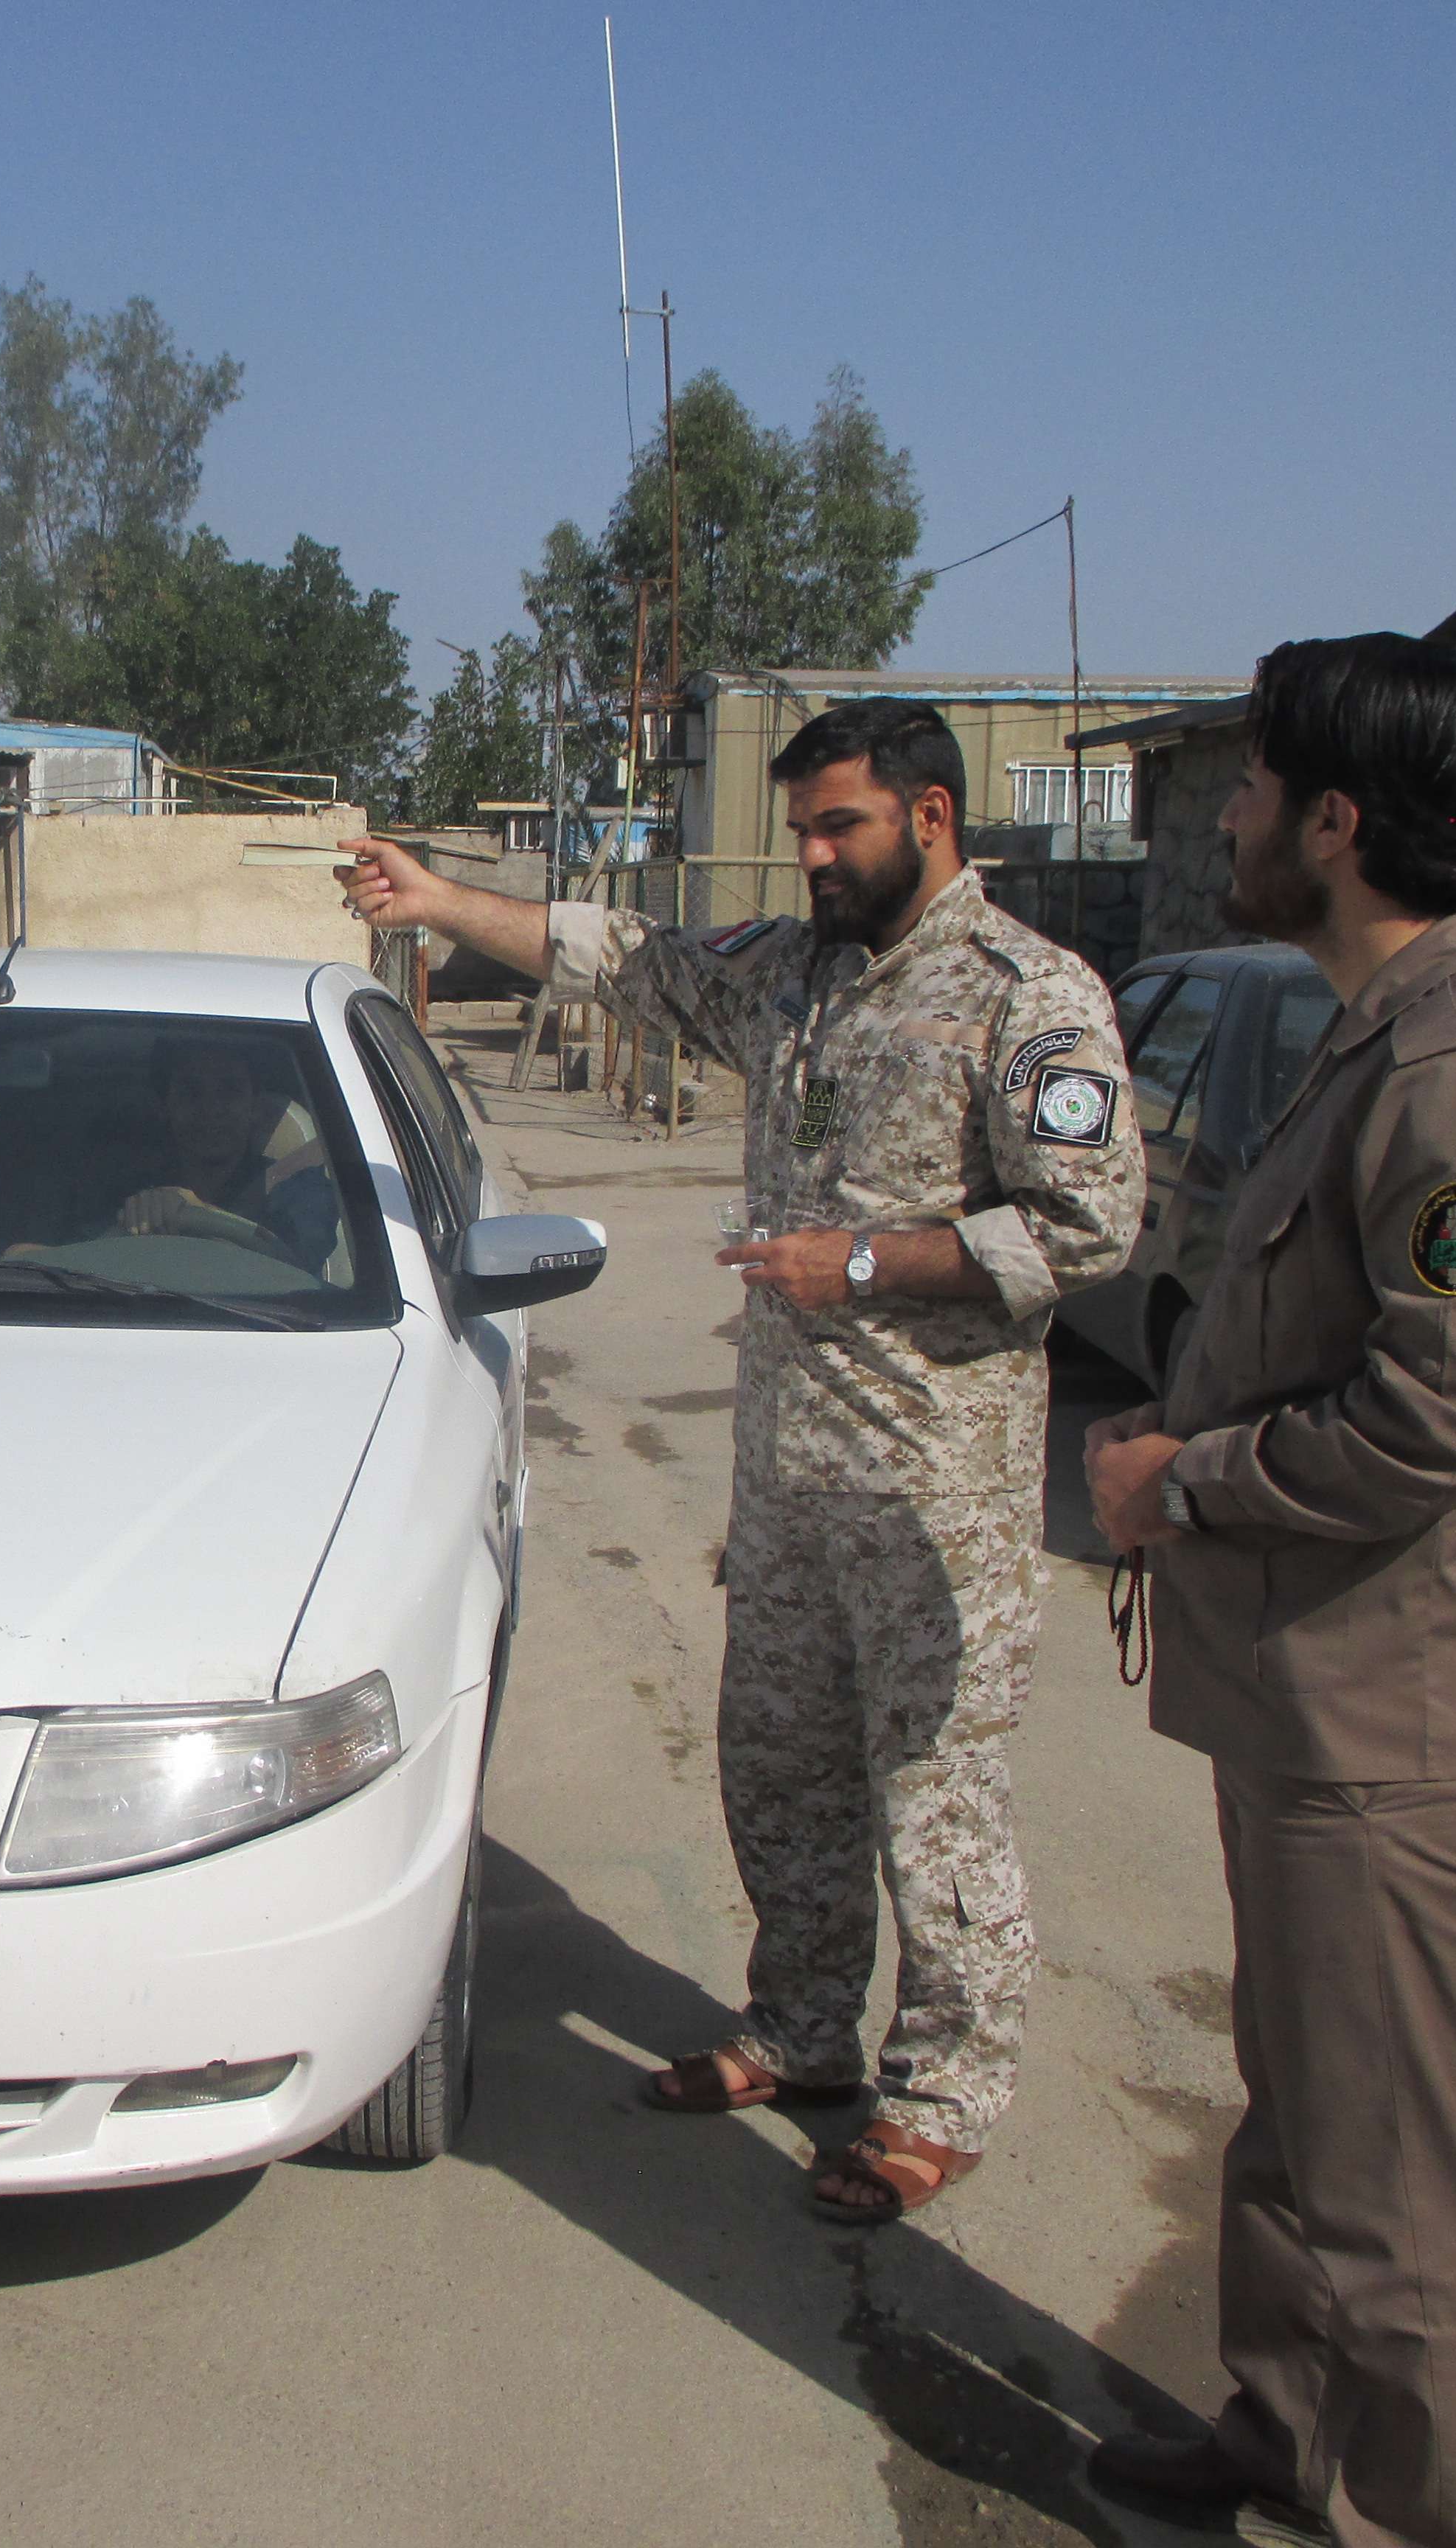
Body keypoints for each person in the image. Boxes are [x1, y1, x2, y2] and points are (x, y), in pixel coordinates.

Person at [341, 698, 1141, 2220]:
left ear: (932, 817)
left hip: (936, 1488)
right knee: (777, 1768)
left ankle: (947, 2090)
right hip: (788, 1474)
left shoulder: (1026, 998)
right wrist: (439, 902)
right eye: (801, 833)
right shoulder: (798, 979)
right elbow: (625, 959)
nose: (815, 858)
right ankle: (802, 2030)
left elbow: (1089, 1224)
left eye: (840, 827)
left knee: (935, 1793)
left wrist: (863, 1265)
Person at [1081, 636, 1456, 2548]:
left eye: (1248, 784)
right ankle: (1285, 2442)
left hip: (1399, 1724)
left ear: (1337, 821)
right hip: (1323, 1702)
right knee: (1307, 2123)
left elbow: (1436, 1419)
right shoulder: (1377, 1031)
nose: (1223, 814)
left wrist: (1177, 1481)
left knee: (1404, 2205)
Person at [111, 1038, 343, 1273]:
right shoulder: (126, 1187)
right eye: (191, 1093)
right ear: (164, 1106)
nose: (211, 1110)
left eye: (230, 1090)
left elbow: (300, 1266)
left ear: (254, 1106)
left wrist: (198, 1211)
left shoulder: (299, 1190)